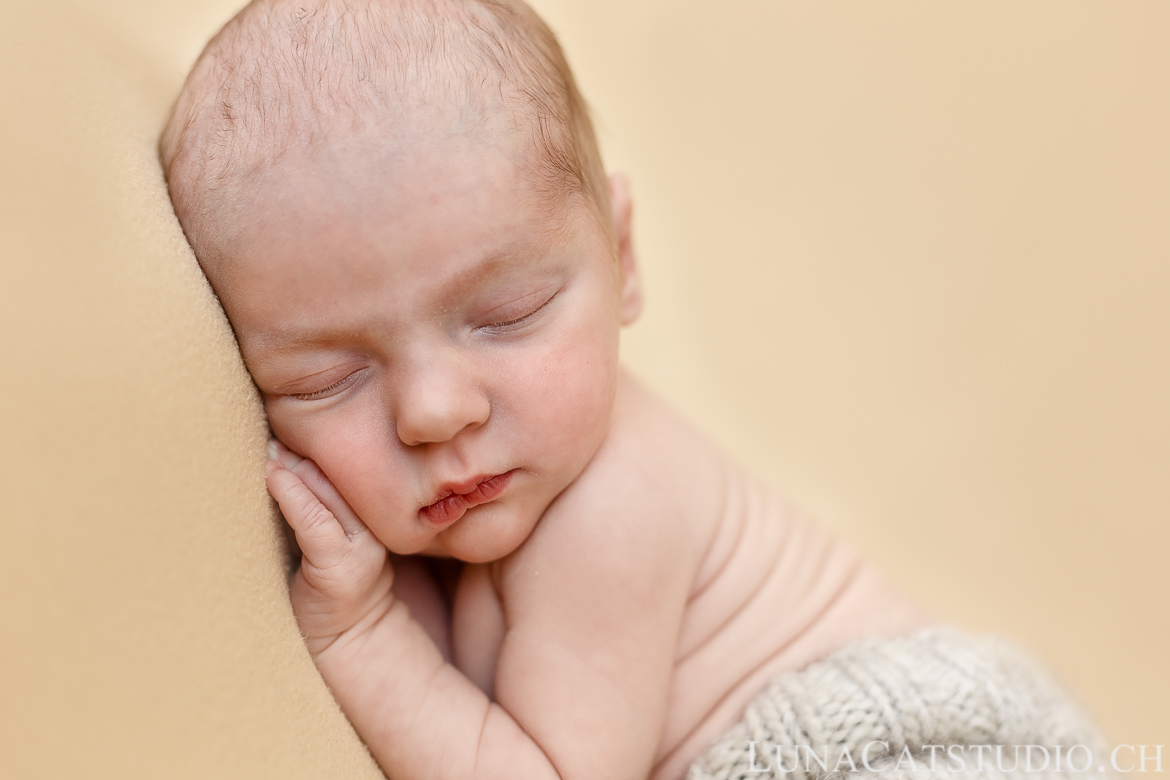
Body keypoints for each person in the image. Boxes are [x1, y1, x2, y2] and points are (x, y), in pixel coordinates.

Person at [159, 1, 1111, 778]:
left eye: (508, 314)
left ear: (620, 257)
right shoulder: (505, 482)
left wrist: (365, 634)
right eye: (330, 378)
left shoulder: (610, 511)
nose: (434, 411)